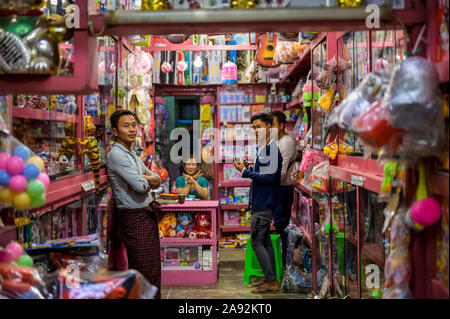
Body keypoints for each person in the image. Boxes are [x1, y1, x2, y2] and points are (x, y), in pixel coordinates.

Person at [106, 110, 163, 298]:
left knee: (152, 271)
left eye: (133, 125)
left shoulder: (130, 153)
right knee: (143, 273)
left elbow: (156, 177)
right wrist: (145, 181)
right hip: (134, 218)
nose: (132, 130)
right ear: (115, 131)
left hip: (144, 216)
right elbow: (140, 186)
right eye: (126, 126)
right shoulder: (117, 155)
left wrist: (146, 180)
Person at [233, 112, 282, 294]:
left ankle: (271, 281)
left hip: (264, 202)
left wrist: (245, 171)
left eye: (259, 126)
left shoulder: (272, 150)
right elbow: (264, 172)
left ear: (269, 127)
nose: (256, 130)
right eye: (253, 127)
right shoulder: (264, 148)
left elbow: (269, 177)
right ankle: (270, 278)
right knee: (264, 241)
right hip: (261, 201)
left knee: (256, 242)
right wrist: (251, 168)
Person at [271, 111, 297, 267]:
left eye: (273, 124)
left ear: (281, 125)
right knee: (280, 225)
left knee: (283, 225)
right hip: (277, 188)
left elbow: (280, 172)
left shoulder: (286, 142)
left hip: (282, 189)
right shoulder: (276, 141)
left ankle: (286, 260)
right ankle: (283, 258)